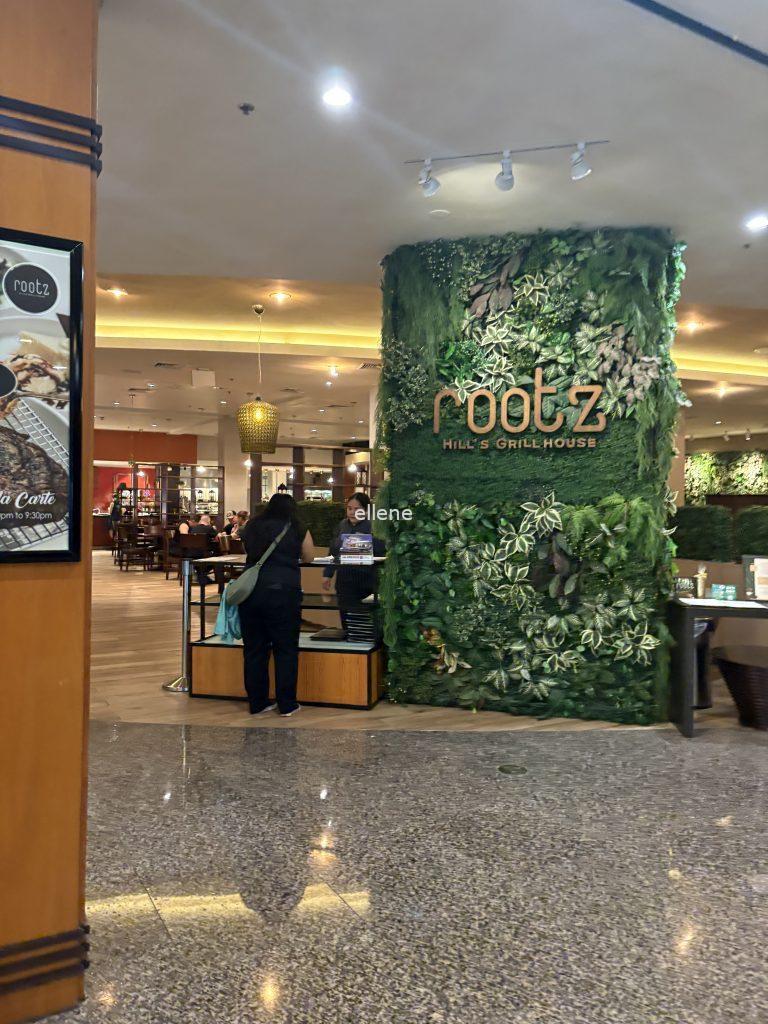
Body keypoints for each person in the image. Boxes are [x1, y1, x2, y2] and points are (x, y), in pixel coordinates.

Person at [239, 494, 314, 717]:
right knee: (285, 649)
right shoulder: (297, 526)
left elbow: (247, 550)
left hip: (251, 592)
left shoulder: (252, 525)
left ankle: (258, 703)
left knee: (254, 650)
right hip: (284, 592)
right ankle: (287, 704)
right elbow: (309, 556)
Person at [322, 492, 385, 634]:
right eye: (349, 508)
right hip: (344, 582)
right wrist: (327, 574)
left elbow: (382, 551)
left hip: (366, 582)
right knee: (347, 622)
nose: (352, 512)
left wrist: (363, 542)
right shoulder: (342, 525)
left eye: (357, 509)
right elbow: (333, 551)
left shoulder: (374, 527)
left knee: (365, 625)